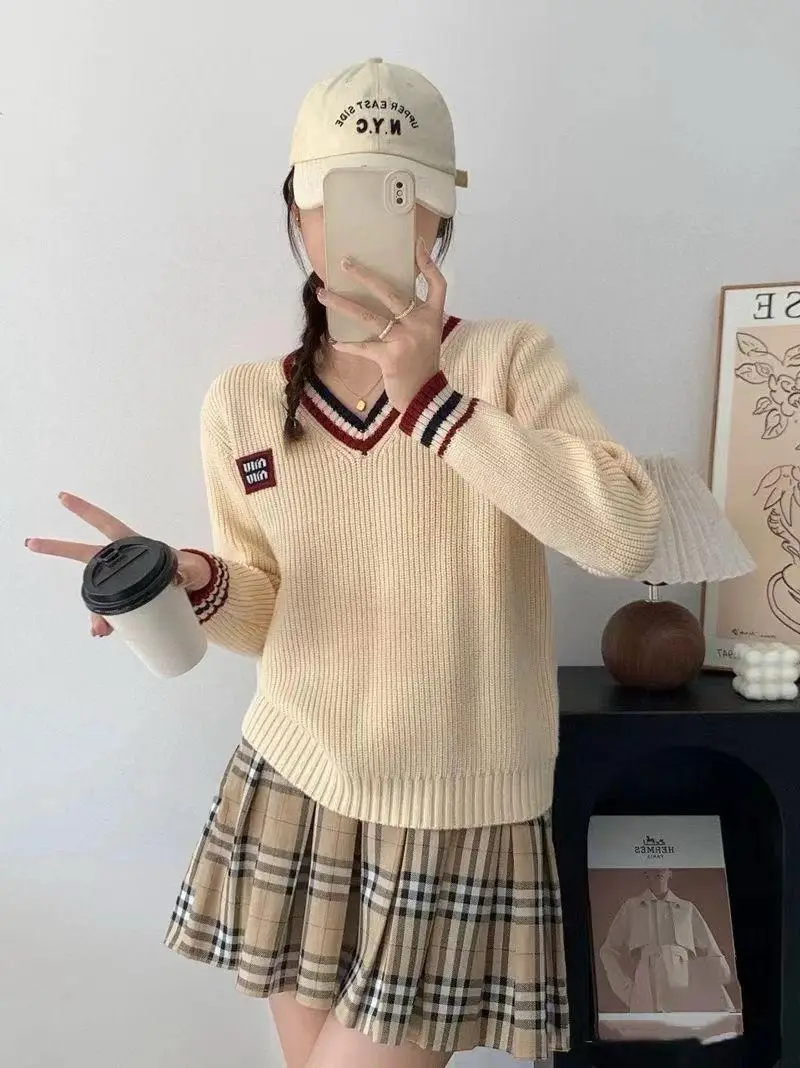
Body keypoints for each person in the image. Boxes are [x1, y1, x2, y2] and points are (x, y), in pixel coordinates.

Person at [27, 58, 660, 1068]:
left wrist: (435, 404)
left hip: (453, 808)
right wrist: (197, 584)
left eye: (399, 194)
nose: (365, 225)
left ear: (440, 218)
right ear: (296, 210)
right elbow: (267, 614)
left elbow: (624, 534)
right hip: (294, 784)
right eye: (336, 195)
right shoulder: (242, 402)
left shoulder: (506, 363)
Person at [599, 868, 735, 1014]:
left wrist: (719, 979)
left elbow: (711, 949)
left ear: (670, 872)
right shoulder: (631, 907)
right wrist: (625, 989)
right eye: (653, 865)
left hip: (685, 988)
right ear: (646, 872)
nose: (659, 869)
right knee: (649, 1028)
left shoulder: (687, 908)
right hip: (646, 991)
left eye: (663, 866)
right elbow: (608, 951)